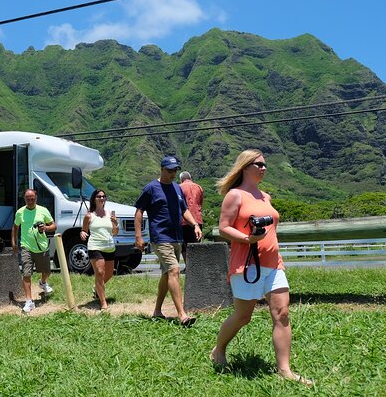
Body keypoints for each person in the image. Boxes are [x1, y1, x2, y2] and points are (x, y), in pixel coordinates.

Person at [210, 149, 312, 385]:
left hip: (274, 263)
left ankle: (285, 370)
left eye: (265, 164)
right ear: (245, 167)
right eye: (258, 164)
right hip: (247, 265)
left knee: (282, 313)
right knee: (243, 316)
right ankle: (219, 350)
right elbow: (224, 228)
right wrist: (247, 239)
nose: (264, 168)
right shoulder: (235, 195)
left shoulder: (266, 197)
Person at [134, 156, 202, 327]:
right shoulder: (151, 188)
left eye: (175, 170)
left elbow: (184, 210)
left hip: (177, 236)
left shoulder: (177, 188)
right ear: (162, 169)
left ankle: (157, 311)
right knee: (174, 270)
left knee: (167, 274)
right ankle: (182, 315)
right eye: (170, 170)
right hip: (160, 236)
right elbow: (139, 211)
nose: (173, 173)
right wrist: (138, 237)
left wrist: (194, 224)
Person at [11, 188, 57, 313]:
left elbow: (54, 226)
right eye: (27, 198)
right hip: (26, 246)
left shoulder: (43, 210)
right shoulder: (20, 212)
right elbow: (15, 227)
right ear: (24, 199)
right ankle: (29, 301)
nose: (30, 200)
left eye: (32, 198)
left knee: (46, 271)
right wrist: (14, 242)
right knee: (26, 274)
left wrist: (46, 228)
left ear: (36, 198)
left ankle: (43, 282)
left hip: (41, 247)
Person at [80, 189, 118, 310]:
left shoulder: (110, 214)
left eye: (103, 196)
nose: (102, 198)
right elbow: (84, 230)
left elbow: (115, 233)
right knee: (100, 273)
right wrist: (82, 234)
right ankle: (103, 302)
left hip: (109, 247)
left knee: (109, 274)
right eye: (99, 196)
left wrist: (116, 224)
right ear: (94, 199)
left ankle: (97, 289)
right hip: (95, 246)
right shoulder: (89, 215)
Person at [179, 171, 204, 267]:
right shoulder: (199, 187)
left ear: (181, 179)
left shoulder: (179, 187)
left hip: (184, 220)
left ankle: (189, 267)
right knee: (196, 244)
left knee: (184, 246)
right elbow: (200, 203)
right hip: (197, 219)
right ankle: (197, 266)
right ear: (190, 177)